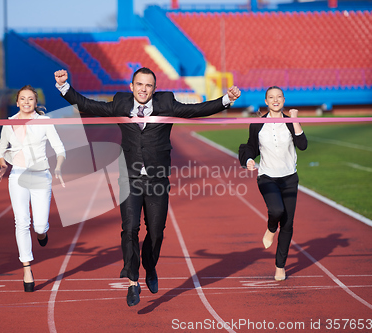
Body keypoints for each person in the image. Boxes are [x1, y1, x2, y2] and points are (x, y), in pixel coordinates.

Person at [54, 68, 241, 306]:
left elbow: (195, 111)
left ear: (154, 88)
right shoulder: (121, 103)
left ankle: (150, 267)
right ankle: (133, 281)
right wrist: (64, 87)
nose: (143, 89)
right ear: (132, 86)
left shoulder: (166, 103)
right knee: (130, 228)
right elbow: (89, 105)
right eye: (139, 84)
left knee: (156, 232)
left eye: (148, 85)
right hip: (130, 178)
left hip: (157, 179)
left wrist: (227, 100)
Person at [0, 85, 66, 292]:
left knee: (39, 226)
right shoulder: (8, 124)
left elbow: (59, 148)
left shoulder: (44, 121)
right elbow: (1, 149)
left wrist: (59, 168)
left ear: (36, 102)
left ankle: (42, 234)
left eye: (30, 99)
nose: (26, 102)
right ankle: (27, 268)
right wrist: (2, 164)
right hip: (17, 175)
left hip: (41, 175)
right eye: (23, 99)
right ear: (17, 102)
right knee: (21, 222)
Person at [238, 86, 307, 281]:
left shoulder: (289, 122)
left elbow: (302, 145)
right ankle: (270, 229)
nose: (275, 100)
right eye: (271, 97)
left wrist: (295, 120)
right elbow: (251, 146)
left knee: (287, 224)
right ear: (266, 102)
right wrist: (249, 160)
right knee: (276, 211)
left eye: (279, 97)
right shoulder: (258, 124)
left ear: (283, 100)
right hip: (267, 176)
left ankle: (280, 266)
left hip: (289, 178)